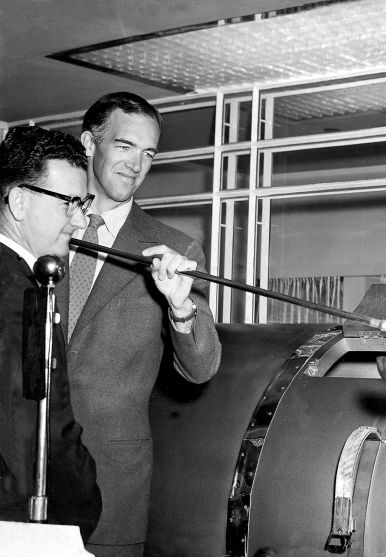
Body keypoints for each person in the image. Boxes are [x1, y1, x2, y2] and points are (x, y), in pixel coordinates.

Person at [62, 92, 222, 557]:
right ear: (89, 143)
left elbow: (202, 366)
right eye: (125, 146)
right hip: (18, 475)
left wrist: (180, 306)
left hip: (111, 482)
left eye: (148, 153)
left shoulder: (174, 248)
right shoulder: (39, 230)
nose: (137, 164)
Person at [0, 126, 101, 539]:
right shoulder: (22, 294)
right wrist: (83, 500)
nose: (80, 221)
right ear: (19, 201)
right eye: (70, 204)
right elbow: (42, 427)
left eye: (84, 203)